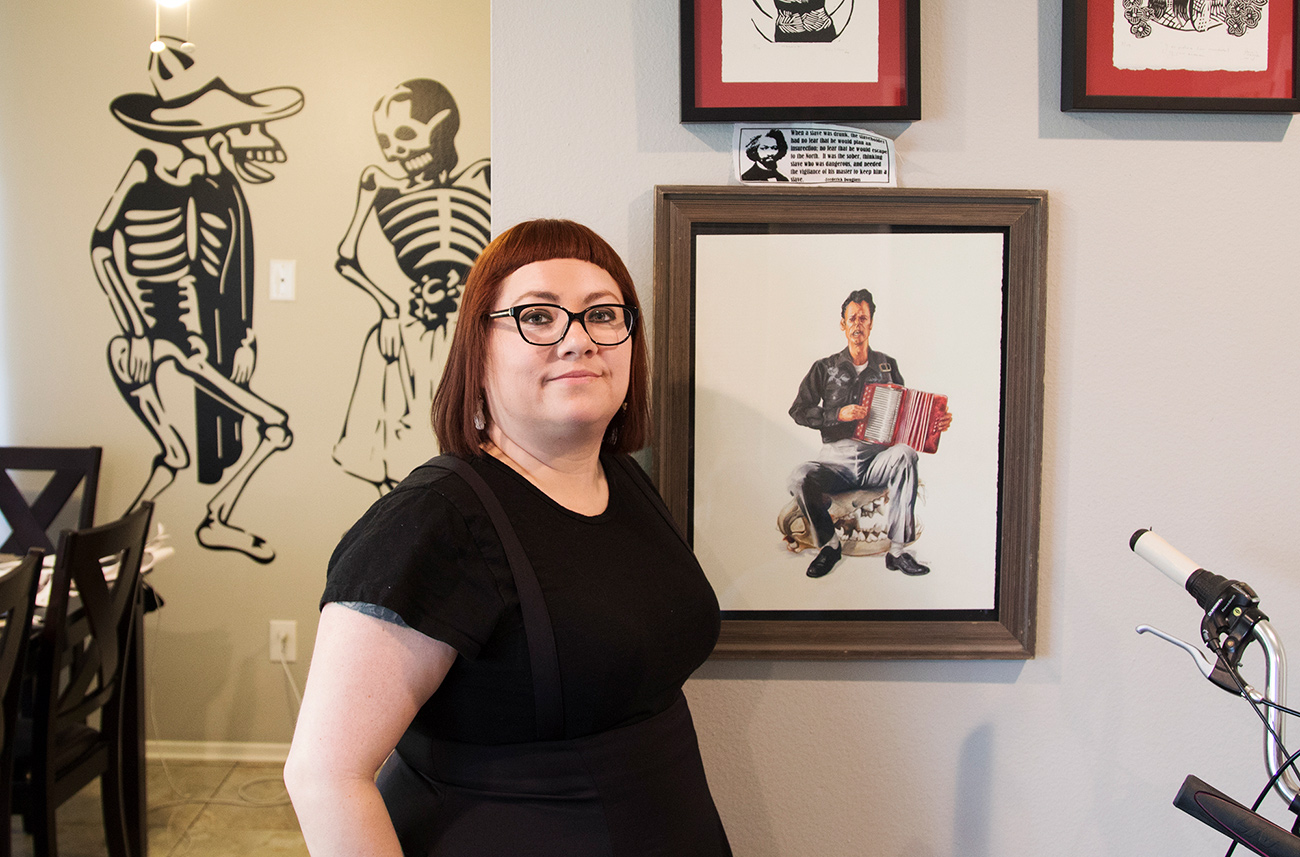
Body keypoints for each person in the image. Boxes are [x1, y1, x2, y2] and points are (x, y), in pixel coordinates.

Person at [285, 219, 732, 857]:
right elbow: (324, 776)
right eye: (538, 316)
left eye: (603, 315)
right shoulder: (432, 522)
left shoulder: (623, 481)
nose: (578, 341)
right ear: (480, 347)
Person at [787, 288, 951, 579]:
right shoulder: (824, 368)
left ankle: (898, 551)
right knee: (799, 477)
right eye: (852, 318)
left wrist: (932, 424)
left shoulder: (887, 365)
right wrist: (837, 414)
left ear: (871, 322)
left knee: (906, 454)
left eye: (863, 318)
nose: (857, 324)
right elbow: (799, 410)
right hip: (836, 461)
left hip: (877, 458)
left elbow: (905, 414)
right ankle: (829, 545)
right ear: (843, 324)